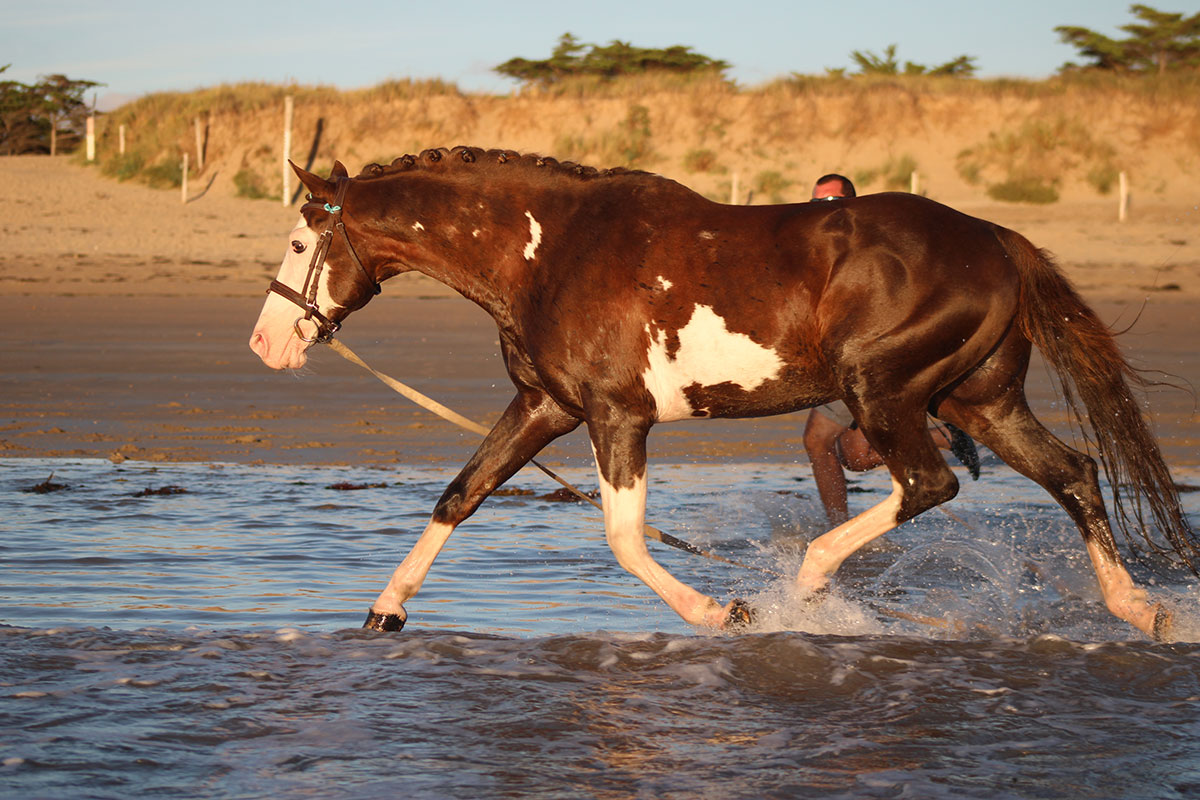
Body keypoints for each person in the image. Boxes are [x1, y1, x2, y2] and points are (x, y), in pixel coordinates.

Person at [803, 174, 980, 525]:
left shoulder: (865, 243)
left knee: (817, 440)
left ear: (850, 203)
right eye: (814, 204)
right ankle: (946, 437)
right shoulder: (821, 246)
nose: (819, 212)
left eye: (828, 203)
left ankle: (837, 528)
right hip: (852, 357)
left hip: (867, 356)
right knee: (856, 457)